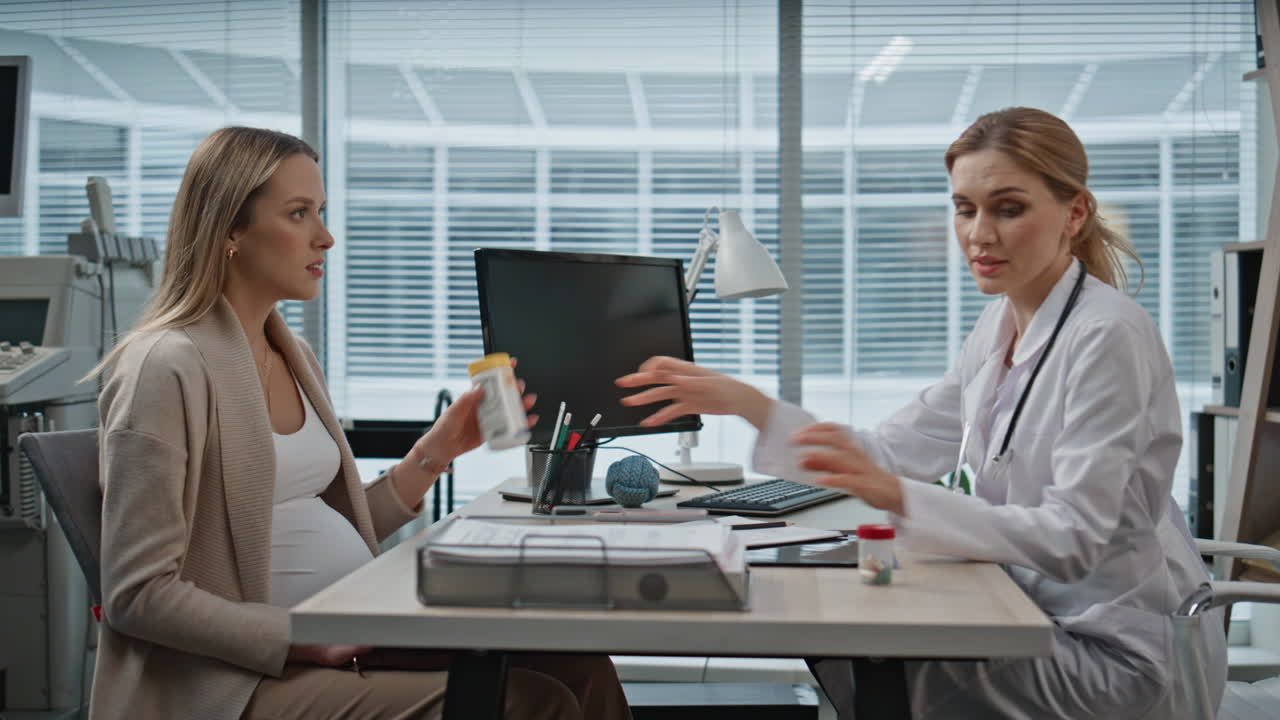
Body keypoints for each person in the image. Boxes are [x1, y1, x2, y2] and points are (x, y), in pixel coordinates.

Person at [616, 107, 1225, 719]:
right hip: (1027, 610)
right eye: (965, 208)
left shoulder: (1108, 334)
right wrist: (752, 406)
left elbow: (1073, 537)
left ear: (1074, 213)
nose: (979, 235)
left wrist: (899, 497)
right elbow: (888, 452)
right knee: (849, 640)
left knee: (871, 649)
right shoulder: (998, 325)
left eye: (1007, 208)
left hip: (1107, 649)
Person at [90, 126, 630, 720]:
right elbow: (136, 595)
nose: (326, 237)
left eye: (320, 212)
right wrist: (296, 636)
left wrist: (435, 452)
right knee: (530, 704)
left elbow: (337, 525)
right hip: (233, 678)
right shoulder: (165, 367)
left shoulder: (291, 353)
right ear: (230, 231)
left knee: (579, 667)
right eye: (299, 214)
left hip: (346, 633)